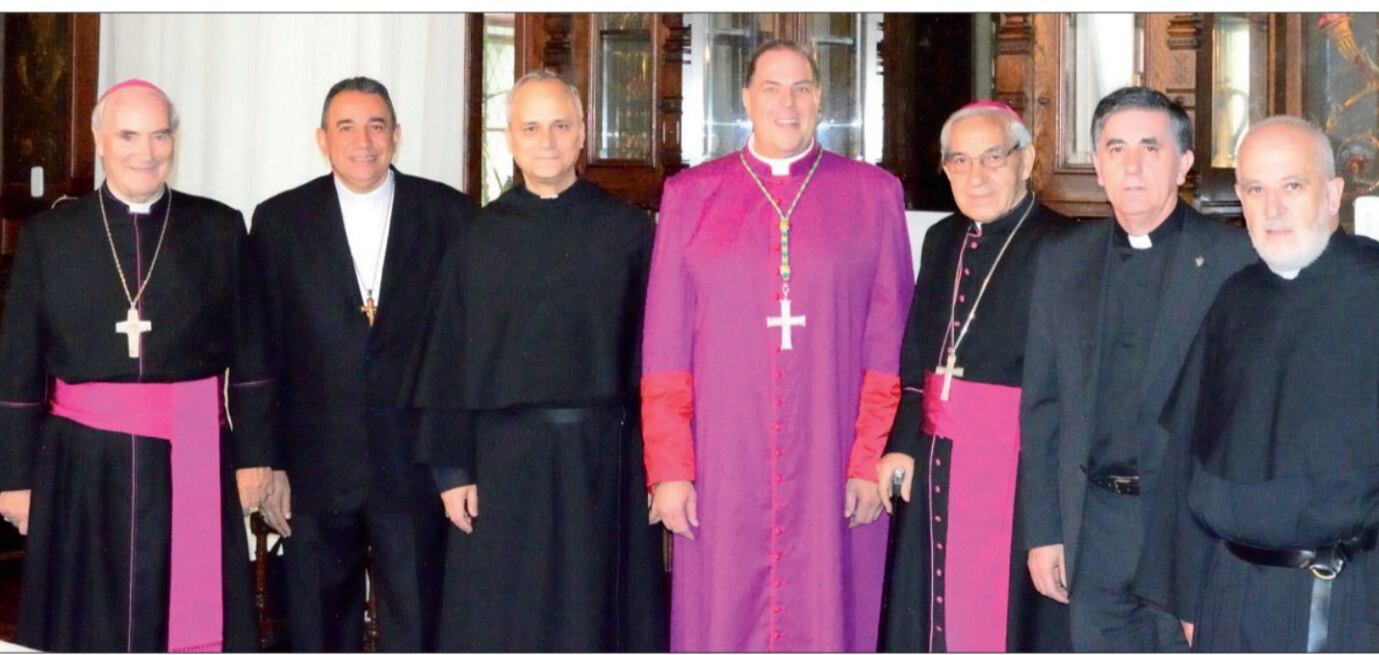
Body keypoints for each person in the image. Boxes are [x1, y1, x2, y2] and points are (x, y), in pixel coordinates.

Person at [641, 40, 912, 651]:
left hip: (831, 451)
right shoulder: (690, 196)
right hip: (723, 459)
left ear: (820, 100)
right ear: (746, 98)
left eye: (801, 89)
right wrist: (672, 470)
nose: (787, 103)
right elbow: (664, 354)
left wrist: (868, 458)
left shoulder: (874, 195)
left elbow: (888, 344)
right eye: (772, 88)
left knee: (830, 608)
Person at [0, 79, 274, 651]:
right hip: (83, 459)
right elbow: (19, 364)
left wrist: (255, 458)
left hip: (194, 447)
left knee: (189, 617)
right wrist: (15, 479)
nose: (146, 152)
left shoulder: (218, 228)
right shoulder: (52, 236)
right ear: (99, 138)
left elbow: (253, 351)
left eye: (159, 136)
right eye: (128, 135)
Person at [414, 70, 668, 652]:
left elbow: (654, 358)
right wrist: (452, 471)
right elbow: (446, 360)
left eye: (560, 125)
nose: (546, 141)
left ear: (582, 134)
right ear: (510, 137)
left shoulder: (629, 232)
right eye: (530, 128)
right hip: (502, 463)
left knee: (594, 616)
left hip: (602, 459)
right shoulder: (476, 239)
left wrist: (660, 466)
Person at [1017, 86, 1255, 651]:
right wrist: (1045, 531)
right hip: (1093, 527)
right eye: (1115, 148)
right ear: (1097, 166)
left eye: (1150, 147)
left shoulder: (1234, 261)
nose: (1131, 165)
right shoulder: (1063, 260)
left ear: (1184, 163)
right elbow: (1043, 406)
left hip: (1189, 533)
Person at [1133, 116, 1379, 652]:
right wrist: (1190, 598)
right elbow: (1186, 464)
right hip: (1231, 594)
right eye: (1256, 190)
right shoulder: (1233, 299)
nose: (1273, 209)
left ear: (1332, 194)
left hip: (1350, 600)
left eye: (1292, 186)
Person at [248, 76, 472, 651]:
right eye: (345, 127)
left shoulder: (448, 214)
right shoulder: (279, 221)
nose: (363, 140)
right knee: (317, 630)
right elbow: (259, 349)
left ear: (397, 135)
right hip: (314, 468)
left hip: (415, 465)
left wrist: (459, 463)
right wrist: (266, 462)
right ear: (321, 139)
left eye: (376, 125)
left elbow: (463, 349)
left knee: (418, 628)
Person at [876, 101, 1070, 652]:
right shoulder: (941, 239)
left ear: (1026, 160)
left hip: (1017, 468)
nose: (975, 175)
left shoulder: (1067, 246)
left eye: (992, 157)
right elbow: (918, 355)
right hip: (938, 457)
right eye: (959, 161)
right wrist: (901, 443)